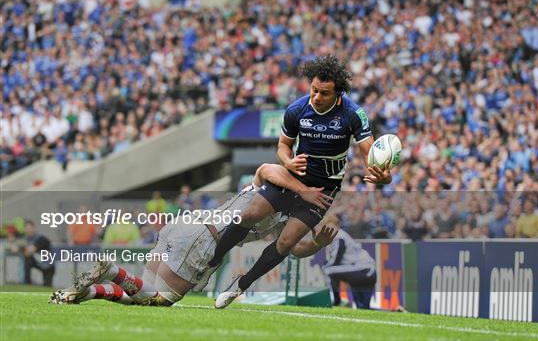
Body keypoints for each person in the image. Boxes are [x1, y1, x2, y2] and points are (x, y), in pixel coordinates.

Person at [211, 55, 392, 308]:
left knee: (286, 243)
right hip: (294, 176)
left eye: (324, 93)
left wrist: (384, 176)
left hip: (324, 188)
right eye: (314, 90)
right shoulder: (297, 109)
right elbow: (283, 146)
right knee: (250, 213)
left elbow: (369, 154)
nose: (316, 97)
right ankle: (212, 262)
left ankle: (239, 286)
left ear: (338, 94)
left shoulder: (353, 114)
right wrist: (287, 162)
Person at [49, 163, 337, 306]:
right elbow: (268, 169)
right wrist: (301, 189)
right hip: (203, 240)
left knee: (142, 293)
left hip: (183, 225)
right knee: (159, 300)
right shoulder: (273, 189)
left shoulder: (273, 204)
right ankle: (111, 270)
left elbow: (291, 248)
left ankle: (88, 292)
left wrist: (316, 244)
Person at [322, 217, 376, 309]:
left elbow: (336, 260)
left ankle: (334, 300)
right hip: (368, 271)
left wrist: (325, 265)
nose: (329, 229)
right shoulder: (343, 235)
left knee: (328, 270)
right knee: (363, 308)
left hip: (362, 270)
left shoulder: (339, 236)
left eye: (331, 225)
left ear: (337, 225)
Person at [23, 220, 55, 287]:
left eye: (30, 228)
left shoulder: (41, 238)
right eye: (27, 229)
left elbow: (30, 250)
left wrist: (20, 249)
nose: (29, 231)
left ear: (34, 228)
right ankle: (27, 284)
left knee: (47, 287)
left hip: (48, 265)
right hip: (38, 262)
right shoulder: (28, 238)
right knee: (28, 261)